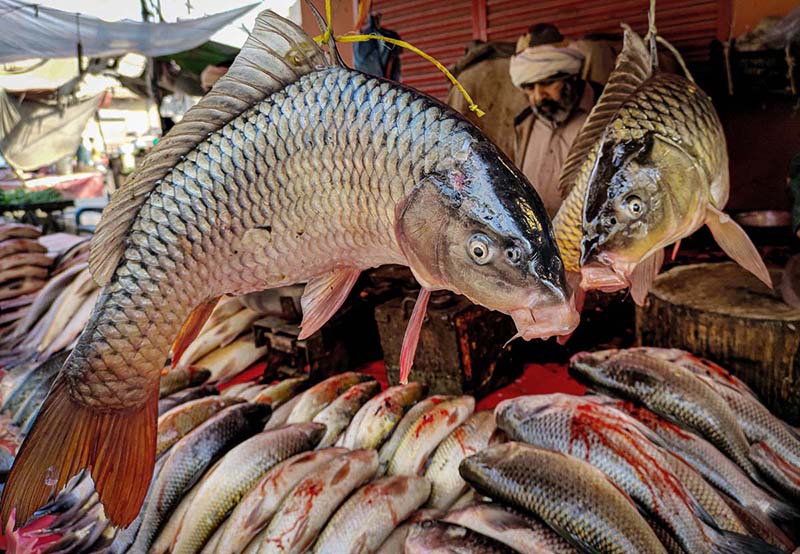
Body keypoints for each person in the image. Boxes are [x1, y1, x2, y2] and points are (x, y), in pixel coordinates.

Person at [510, 24, 601, 217]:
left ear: (571, 76)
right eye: (529, 87)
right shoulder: (524, 125)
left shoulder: (604, 114)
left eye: (547, 83)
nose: (538, 96)